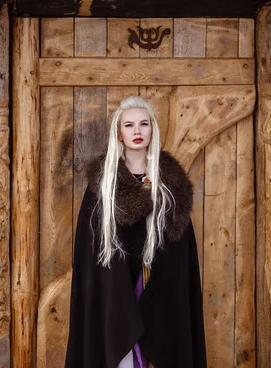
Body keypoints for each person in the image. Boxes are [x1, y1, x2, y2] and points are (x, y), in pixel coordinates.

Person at [65, 96, 207, 368]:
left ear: (153, 129)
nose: (137, 131)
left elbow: (180, 257)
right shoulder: (103, 186)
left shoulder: (171, 186)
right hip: (116, 298)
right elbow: (91, 255)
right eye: (129, 125)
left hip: (162, 296)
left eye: (144, 124)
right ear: (119, 133)